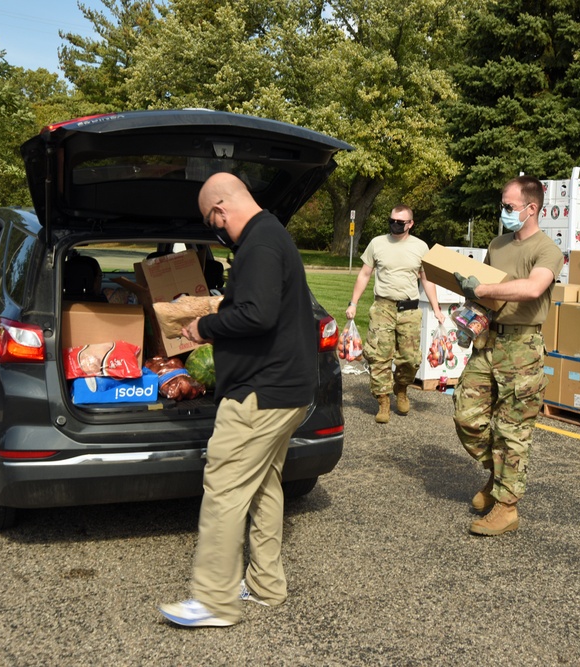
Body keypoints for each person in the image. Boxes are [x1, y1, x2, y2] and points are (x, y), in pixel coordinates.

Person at [159, 172, 315, 627]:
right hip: (285, 392)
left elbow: (258, 315)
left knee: (224, 487)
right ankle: (266, 585)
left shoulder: (261, 244)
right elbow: (258, 305)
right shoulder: (270, 236)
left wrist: (202, 328)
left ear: (221, 210)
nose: (217, 231)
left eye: (214, 222)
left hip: (260, 394)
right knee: (264, 486)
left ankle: (213, 601)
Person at [451, 175, 563, 536]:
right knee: (466, 416)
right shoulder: (497, 244)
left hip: (522, 349)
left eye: (509, 206)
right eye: (503, 205)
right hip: (489, 341)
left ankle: (507, 507)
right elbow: (485, 295)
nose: (504, 212)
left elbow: (533, 288)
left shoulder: (548, 250)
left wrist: (481, 286)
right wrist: (469, 319)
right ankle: (499, 477)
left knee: (512, 430)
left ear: (532, 209)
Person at [345, 205, 444, 424]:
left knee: (409, 358)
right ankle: (383, 401)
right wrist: (353, 303)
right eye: (392, 220)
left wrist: (437, 309)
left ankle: (401, 388)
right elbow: (364, 274)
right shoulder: (377, 244)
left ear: (410, 224)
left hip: (409, 309)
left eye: (400, 222)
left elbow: (427, 279)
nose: (395, 225)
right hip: (383, 307)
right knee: (379, 356)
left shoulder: (420, 247)